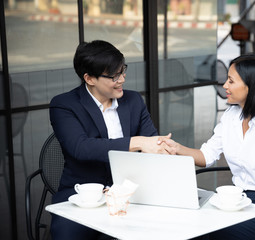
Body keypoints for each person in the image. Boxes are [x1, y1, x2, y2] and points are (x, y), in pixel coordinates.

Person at [161, 54, 255, 240]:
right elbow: (206, 156)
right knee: (190, 222)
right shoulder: (231, 116)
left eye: (231, 81)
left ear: (252, 86)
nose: (225, 85)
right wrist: (176, 148)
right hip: (235, 202)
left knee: (208, 230)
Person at [49, 40, 174, 240]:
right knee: (66, 235)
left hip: (132, 194)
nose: (122, 79)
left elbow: (152, 142)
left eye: (123, 71)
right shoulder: (64, 105)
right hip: (84, 196)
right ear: (89, 78)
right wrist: (139, 142)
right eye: (114, 75)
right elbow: (81, 147)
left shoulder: (133, 101)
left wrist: (160, 146)